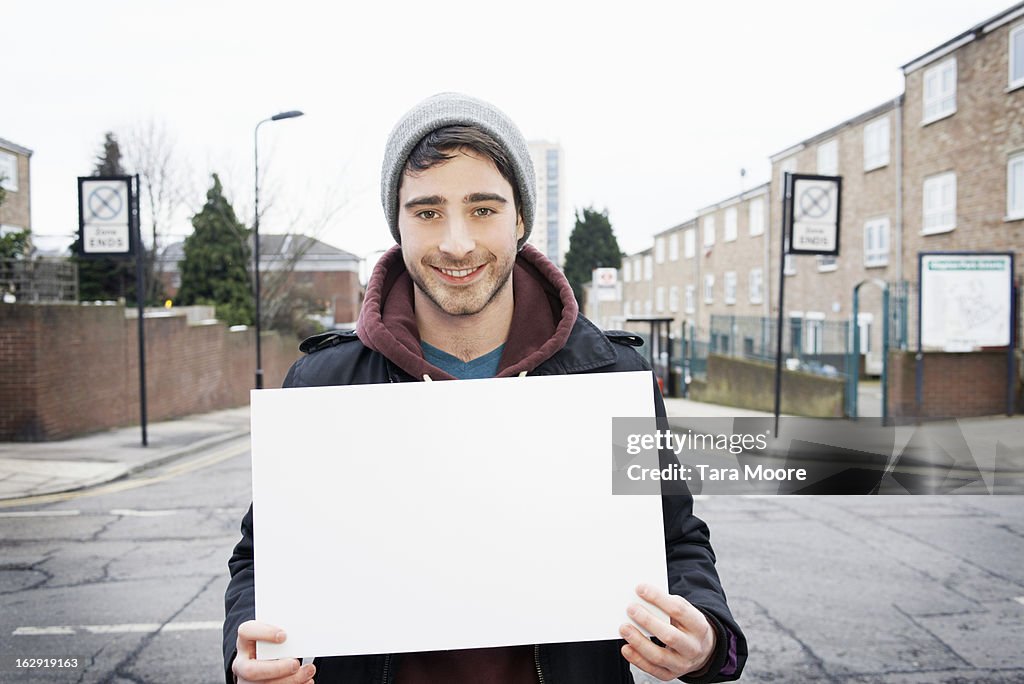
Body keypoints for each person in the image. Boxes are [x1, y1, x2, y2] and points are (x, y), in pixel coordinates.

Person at [223, 92, 747, 684]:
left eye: (482, 209)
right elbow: (262, 562)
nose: (456, 242)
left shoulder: (610, 378)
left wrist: (707, 639)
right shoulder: (322, 386)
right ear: (396, 223)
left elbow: (673, 540)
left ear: (520, 218)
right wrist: (246, 656)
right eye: (426, 212)